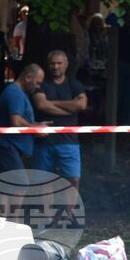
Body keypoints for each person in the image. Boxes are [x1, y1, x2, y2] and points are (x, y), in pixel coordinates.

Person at [31, 50, 87, 188]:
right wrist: (69, 108)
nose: (56, 67)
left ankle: (71, 210)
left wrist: (52, 103)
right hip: (44, 141)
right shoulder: (41, 84)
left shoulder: (74, 84)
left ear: (66, 64)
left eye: (59, 63)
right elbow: (41, 104)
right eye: (52, 63)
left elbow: (81, 104)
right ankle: (47, 210)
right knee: (44, 182)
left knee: (73, 180)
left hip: (69, 140)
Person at [0, 64, 46, 174]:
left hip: (8, 146)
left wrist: (36, 124)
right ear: (28, 77)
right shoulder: (16, 93)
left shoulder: (17, 92)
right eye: (37, 83)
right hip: (7, 145)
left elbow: (20, 119)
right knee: (20, 184)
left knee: (10, 186)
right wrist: (34, 128)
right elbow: (16, 121)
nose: (38, 87)